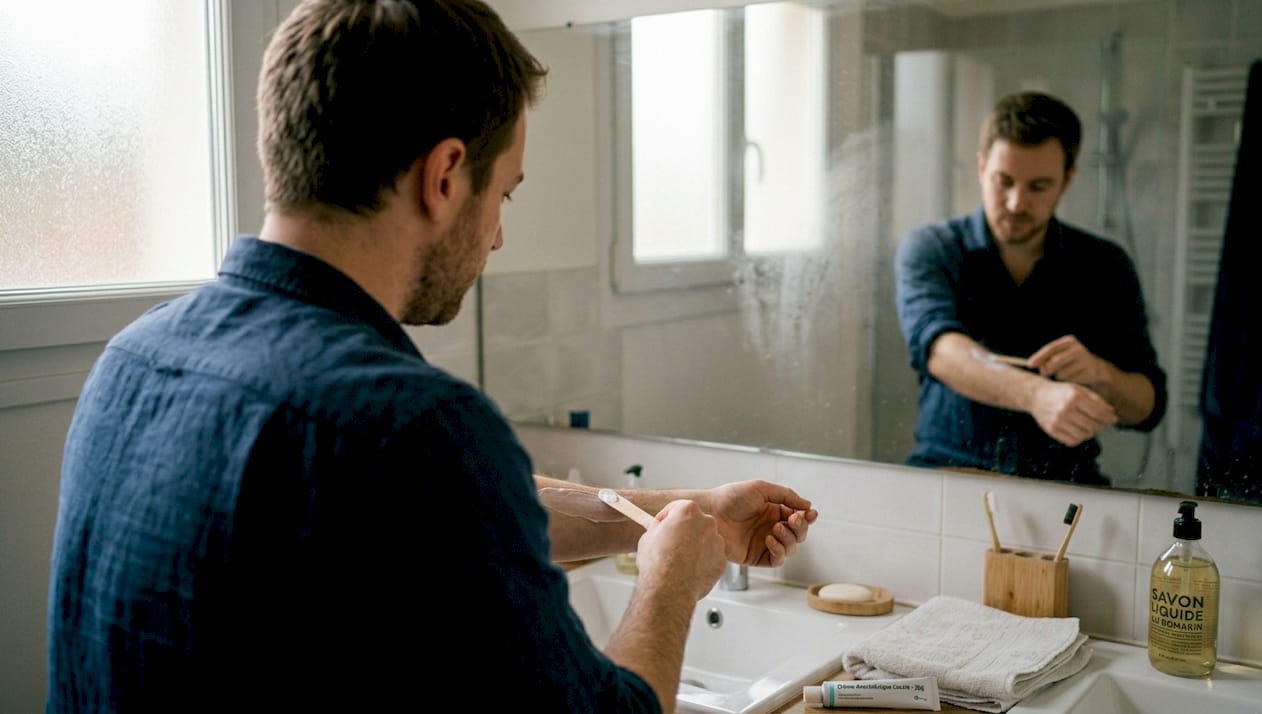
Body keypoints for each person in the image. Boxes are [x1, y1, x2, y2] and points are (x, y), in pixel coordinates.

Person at [45, 2, 818, 712]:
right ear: (445, 176)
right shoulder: (411, 427)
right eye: (504, 195)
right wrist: (670, 585)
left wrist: (676, 515)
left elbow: (453, 520)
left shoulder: (133, 362)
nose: (498, 236)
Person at [894, 90, 1167, 485]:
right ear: (982, 166)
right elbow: (940, 350)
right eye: (1003, 181)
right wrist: (1038, 395)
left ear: (1067, 179)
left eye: (1038, 186)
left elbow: (1147, 406)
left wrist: (1099, 373)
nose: (1017, 203)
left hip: (1067, 486)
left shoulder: (1105, 265)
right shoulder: (932, 249)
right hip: (947, 473)